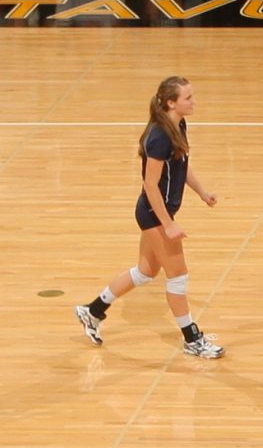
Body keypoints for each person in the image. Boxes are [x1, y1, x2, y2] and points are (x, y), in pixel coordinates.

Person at [74, 77, 226, 358]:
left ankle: (93, 310)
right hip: (154, 214)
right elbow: (150, 184)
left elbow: (182, 164)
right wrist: (167, 224)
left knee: (144, 272)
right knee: (178, 277)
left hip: (158, 212)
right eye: (188, 98)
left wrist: (202, 192)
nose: (193, 102)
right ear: (171, 102)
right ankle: (192, 340)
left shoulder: (177, 124)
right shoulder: (159, 137)